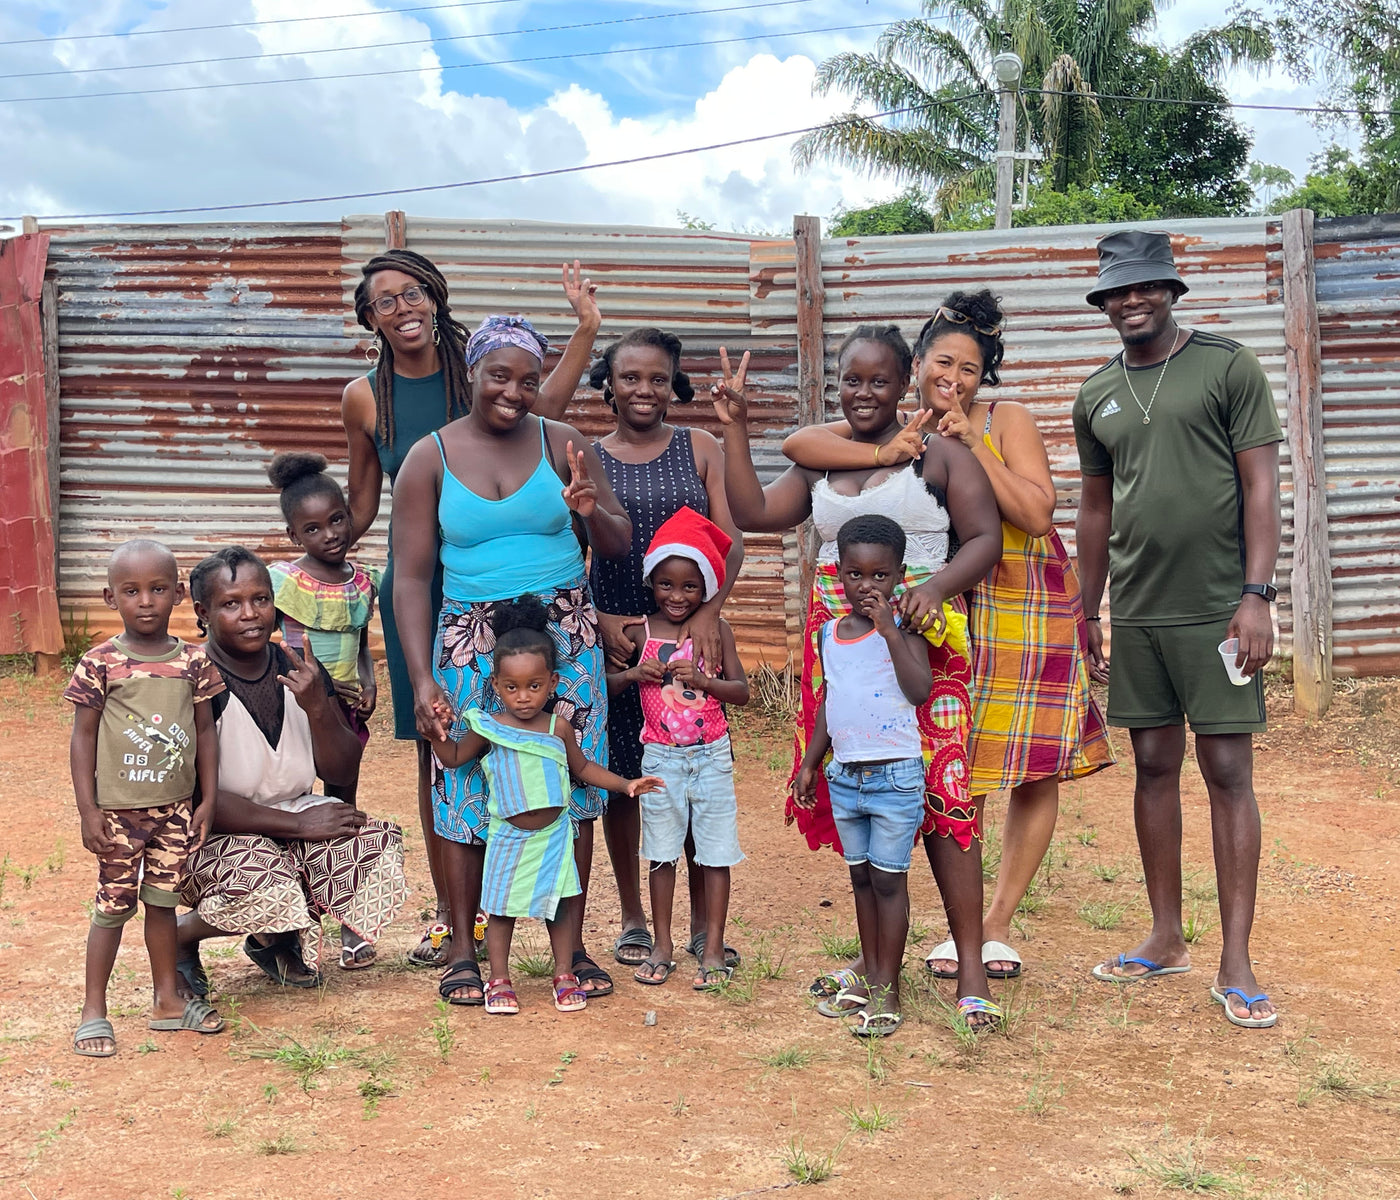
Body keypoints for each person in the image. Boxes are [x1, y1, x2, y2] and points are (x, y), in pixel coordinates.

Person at [783, 290, 1115, 982]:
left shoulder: (1003, 418)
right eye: (943, 362)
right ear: (919, 363)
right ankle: (927, 933)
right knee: (953, 755)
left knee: (1026, 758)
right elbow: (803, 450)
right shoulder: (894, 430)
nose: (954, 379)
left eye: (970, 368)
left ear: (984, 374)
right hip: (942, 609)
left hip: (1020, 599)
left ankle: (994, 926)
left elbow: (1034, 512)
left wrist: (970, 439)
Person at [715, 328, 1005, 1026]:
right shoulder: (825, 459)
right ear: (835, 383)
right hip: (840, 649)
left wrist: (934, 589)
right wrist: (735, 430)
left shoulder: (939, 456)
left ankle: (971, 969)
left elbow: (987, 538)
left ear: (906, 380)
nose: (864, 392)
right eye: (851, 380)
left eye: (879, 380)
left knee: (945, 796)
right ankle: (878, 966)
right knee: (863, 790)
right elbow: (756, 515)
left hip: (922, 642)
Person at [343, 252, 599, 968]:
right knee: (448, 755)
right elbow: (364, 501)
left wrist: (584, 331)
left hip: (512, 577)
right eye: (385, 301)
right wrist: (317, 550)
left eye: (413, 291)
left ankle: (528, 917)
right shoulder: (365, 397)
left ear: (436, 296)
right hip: (430, 586)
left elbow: (536, 411)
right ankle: (457, 922)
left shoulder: (475, 365)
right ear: (369, 319)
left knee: (538, 749)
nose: (403, 307)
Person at [1073, 230, 1282, 1029]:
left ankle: (1237, 956)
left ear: (1170, 290)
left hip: (1218, 609)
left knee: (1227, 770)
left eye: (1146, 287)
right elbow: (1096, 511)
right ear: (1104, 302)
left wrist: (1256, 595)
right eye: (1117, 291)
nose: (1132, 301)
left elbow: (1260, 487)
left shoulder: (1227, 367)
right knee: (1153, 764)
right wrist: (1086, 607)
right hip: (1140, 613)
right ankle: (1165, 936)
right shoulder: (1095, 394)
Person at [394, 314, 632, 1008]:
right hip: (470, 640)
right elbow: (410, 577)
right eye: (499, 375)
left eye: (530, 380)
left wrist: (591, 511)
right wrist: (420, 677)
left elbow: (618, 542)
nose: (514, 392)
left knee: (573, 791)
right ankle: (465, 953)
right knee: (467, 792)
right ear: (472, 373)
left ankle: (572, 947)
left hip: (566, 635)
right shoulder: (428, 458)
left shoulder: (564, 443)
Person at [549, 326, 744, 972]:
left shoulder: (703, 447)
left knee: (692, 766)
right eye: (630, 377)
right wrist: (600, 617)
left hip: (691, 641)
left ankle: (697, 923)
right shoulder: (587, 453)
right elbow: (574, 549)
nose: (644, 389)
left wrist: (710, 615)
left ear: (673, 385)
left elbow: (730, 541)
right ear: (608, 384)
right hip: (621, 638)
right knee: (628, 779)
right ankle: (635, 915)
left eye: (658, 378)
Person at [174, 547, 407, 992]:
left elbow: (341, 769)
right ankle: (181, 936)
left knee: (375, 848)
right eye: (231, 604)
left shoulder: (297, 664)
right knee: (271, 885)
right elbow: (197, 801)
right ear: (202, 612)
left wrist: (320, 707)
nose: (250, 614)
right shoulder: (192, 680)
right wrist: (297, 824)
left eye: (261, 599)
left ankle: (274, 940)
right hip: (214, 835)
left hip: (289, 818)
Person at [428, 596, 662, 1015]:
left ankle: (563, 974)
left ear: (553, 683)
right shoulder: (487, 726)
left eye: (534, 686)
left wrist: (626, 784)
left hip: (555, 836)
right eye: (512, 687)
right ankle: (499, 979)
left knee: (559, 906)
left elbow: (584, 769)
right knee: (500, 910)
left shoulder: (559, 727)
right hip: (507, 835)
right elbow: (455, 759)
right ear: (497, 685)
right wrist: (437, 735)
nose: (523, 697)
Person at [67, 540, 225, 1056]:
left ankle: (167, 1002)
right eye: (131, 591)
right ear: (110, 597)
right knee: (113, 907)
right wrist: (89, 810)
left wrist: (207, 801)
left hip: (176, 811)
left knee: (162, 904)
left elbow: (206, 732)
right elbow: (83, 737)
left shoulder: (194, 661)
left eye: (158, 589)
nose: (146, 601)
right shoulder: (100, 663)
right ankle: (94, 1009)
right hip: (117, 815)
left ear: (178, 594)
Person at [795, 516, 933, 1037]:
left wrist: (890, 631)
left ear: (899, 576)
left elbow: (919, 691)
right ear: (839, 574)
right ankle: (871, 973)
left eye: (879, 576)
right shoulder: (831, 634)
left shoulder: (908, 632)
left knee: (888, 881)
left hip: (895, 775)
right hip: (846, 777)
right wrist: (811, 762)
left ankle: (887, 988)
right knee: (859, 878)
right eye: (856, 575)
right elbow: (832, 702)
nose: (867, 586)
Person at [606, 507, 750, 990]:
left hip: (711, 756)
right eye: (666, 584)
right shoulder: (637, 634)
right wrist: (631, 674)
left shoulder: (717, 631)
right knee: (662, 853)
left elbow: (742, 692)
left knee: (714, 854)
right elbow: (603, 687)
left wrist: (706, 681)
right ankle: (662, 945)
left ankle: (711, 946)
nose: (677, 596)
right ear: (652, 583)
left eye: (690, 587)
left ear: (706, 588)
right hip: (661, 758)